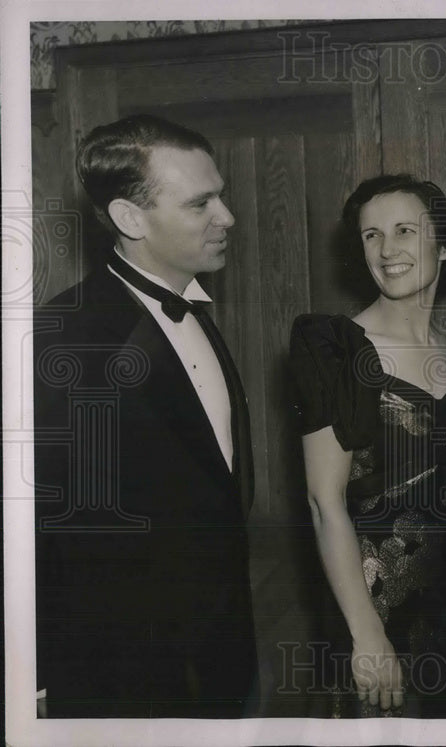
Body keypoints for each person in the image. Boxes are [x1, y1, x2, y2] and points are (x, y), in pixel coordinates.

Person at [33, 114, 258, 717]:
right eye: (200, 203)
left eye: (223, 195)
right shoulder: (66, 337)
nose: (227, 217)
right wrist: (39, 671)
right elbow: (43, 522)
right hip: (123, 672)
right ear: (130, 219)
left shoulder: (195, 308)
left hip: (215, 653)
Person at [288, 175, 446, 717]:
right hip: (372, 607)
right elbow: (326, 504)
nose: (386, 250)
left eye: (404, 231)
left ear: (444, 243)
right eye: (371, 235)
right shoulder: (336, 351)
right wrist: (367, 636)